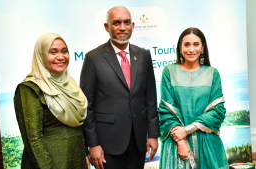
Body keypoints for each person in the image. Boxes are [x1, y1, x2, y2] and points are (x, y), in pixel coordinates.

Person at [80, 6, 160, 169]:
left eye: (126, 22)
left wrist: (153, 134)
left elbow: (150, 98)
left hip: (138, 143)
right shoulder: (93, 58)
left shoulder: (144, 56)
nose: (122, 27)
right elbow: (86, 107)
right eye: (116, 23)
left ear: (132, 25)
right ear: (107, 27)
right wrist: (93, 144)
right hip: (107, 146)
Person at [14, 33, 90, 169]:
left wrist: (85, 153)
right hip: (49, 164)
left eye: (64, 51)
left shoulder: (70, 84)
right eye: (53, 52)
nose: (60, 57)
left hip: (77, 161)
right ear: (41, 55)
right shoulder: (29, 89)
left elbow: (78, 126)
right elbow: (33, 140)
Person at [158, 27, 229, 169]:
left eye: (196, 44)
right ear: (180, 47)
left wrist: (187, 129)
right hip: (176, 143)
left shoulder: (213, 73)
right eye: (187, 44)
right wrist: (181, 141)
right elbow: (166, 111)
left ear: (203, 47)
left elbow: (218, 111)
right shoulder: (169, 71)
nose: (191, 49)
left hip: (206, 143)